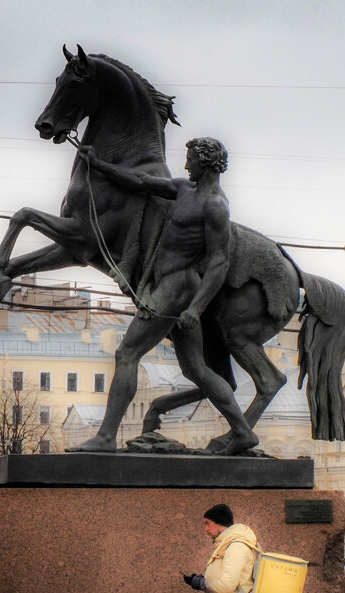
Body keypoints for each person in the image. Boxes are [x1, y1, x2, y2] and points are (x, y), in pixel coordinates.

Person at [75, 138, 258, 456]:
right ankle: (243, 432)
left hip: (177, 289)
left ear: (206, 162)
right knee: (196, 370)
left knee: (127, 354)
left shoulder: (215, 205)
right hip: (169, 286)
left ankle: (105, 437)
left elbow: (219, 262)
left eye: (190, 159)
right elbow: (143, 181)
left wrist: (196, 307)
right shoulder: (185, 190)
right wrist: (99, 165)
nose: (186, 165)